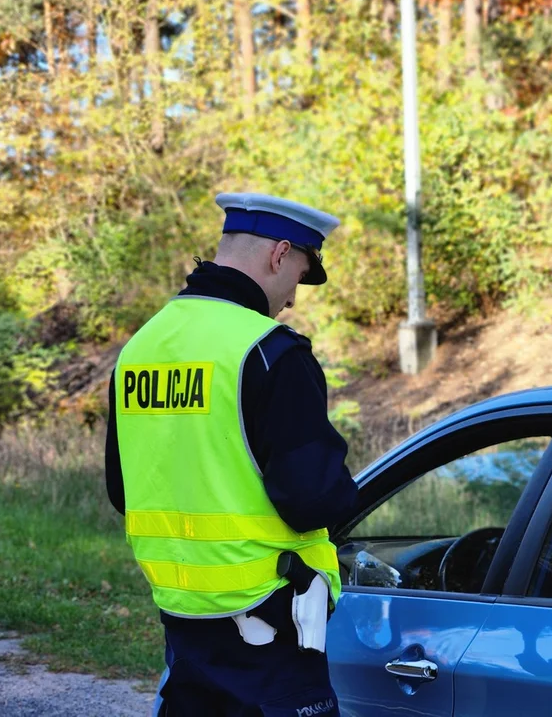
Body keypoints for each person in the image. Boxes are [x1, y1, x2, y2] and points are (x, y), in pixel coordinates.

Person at [104, 192, 359, 716]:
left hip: (183, 620)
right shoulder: (269, 350)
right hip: (272, 620)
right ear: (279, 254)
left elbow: (121, 488)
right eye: (299, 277)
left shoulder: (142, 347)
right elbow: (313, 498)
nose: (291, 299)